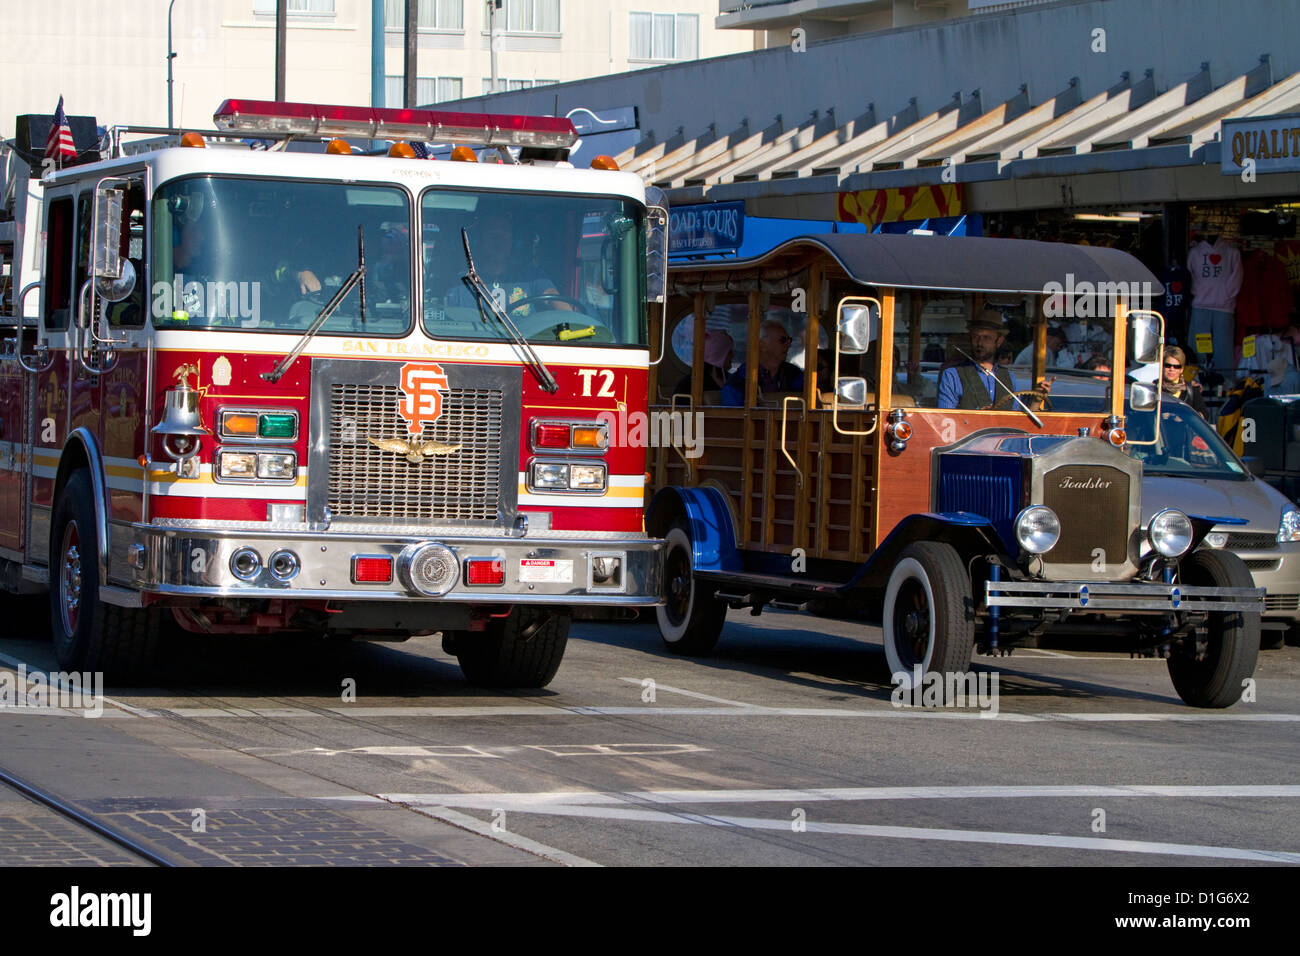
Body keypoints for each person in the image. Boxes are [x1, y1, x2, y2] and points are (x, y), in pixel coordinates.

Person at [444, 209, 564, 317]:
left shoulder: (532, 276)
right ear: (479, 240)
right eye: (493, 235)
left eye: (505, 234)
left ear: (514, 241)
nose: (499, 241)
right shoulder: (463, 283)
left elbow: (552, 296)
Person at [939, 310, 1050, 410]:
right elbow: (945, 419)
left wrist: (1037, 399)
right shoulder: (952, 375)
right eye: (975, 337)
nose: (979, 342)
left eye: (986, 338)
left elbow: (1018, 420)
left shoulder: (1008, 376)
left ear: (999, 341)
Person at [720, 318, 804, 406]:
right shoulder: (738, 383)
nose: (789, 345)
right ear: (762, 345)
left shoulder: (794, 374)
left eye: (789, 340)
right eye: (782, 340)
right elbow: (735, 417)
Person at [673, 328, 733, 397]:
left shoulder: (732, 380)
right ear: (718, 355)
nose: (733, 356)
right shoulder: (688, 385)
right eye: (729, 352)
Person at [1160, 346, 1207, 417]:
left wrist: (1185, 416)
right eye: (1167, 365)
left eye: (1176, 366)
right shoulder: (1155, 388)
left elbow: (1204, 415)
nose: (1171, 369)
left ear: (1181, 369)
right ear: (1162, 367)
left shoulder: (1192, 389)